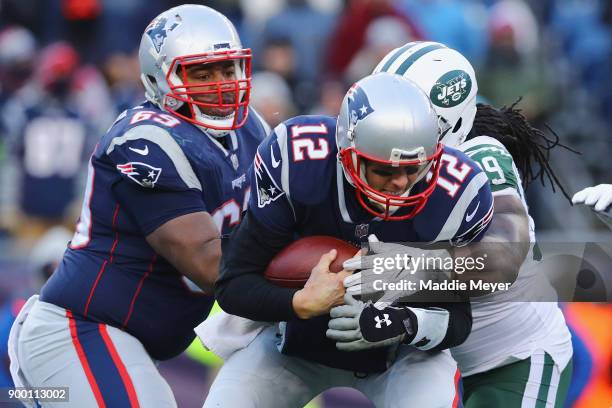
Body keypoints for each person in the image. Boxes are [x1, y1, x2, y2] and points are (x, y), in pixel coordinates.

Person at [8, 5, 269, 407]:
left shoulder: (253, 129)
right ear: (158, 78)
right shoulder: (145, 140)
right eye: (202, 73)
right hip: (78, 332)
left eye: (228, 68)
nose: (221, 83)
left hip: (133, 343)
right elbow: (211, 265)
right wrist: (305, 290)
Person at [203, 72, 494, 407]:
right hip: (291, 342)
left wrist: (400, 323)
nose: (401, 183)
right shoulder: (300, 163)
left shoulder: (455, 197)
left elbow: (458, 320)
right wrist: (300, 302)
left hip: (399, 357)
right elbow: (233, 284)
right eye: (385, 170)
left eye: (414, 168)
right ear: (348, 154)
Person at [369, 41, 574, 407]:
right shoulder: (387, 167)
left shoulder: (481, 156)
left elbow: (502, 259)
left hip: (516, 357)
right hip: (444, 356)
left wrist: (394, 268)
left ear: (444, 121)